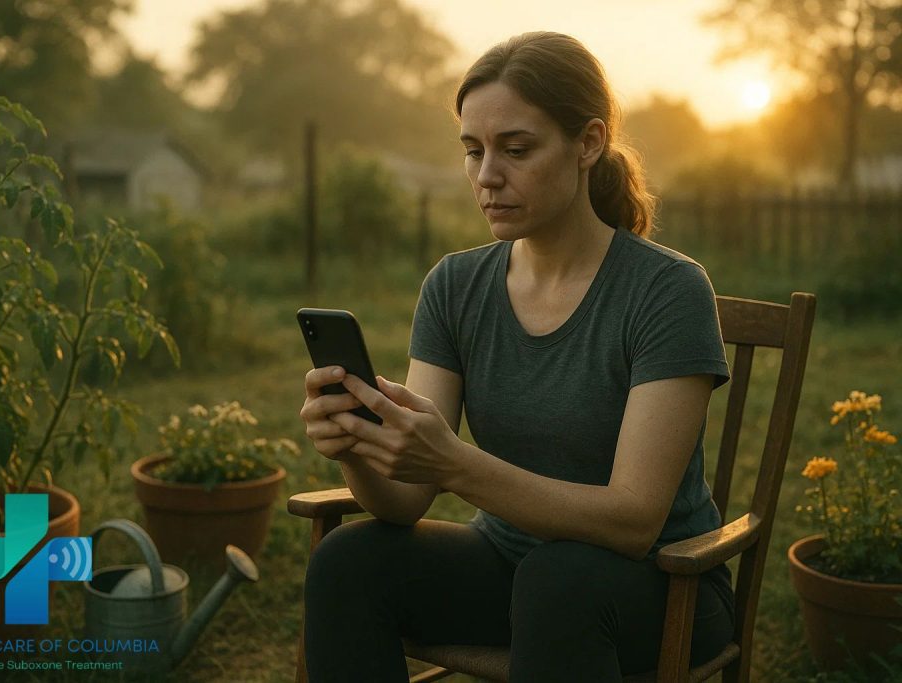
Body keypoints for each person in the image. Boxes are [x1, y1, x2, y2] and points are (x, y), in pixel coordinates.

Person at [298, 31, 735, 682]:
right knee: (348, 561)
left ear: (588, 142)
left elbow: (634, 521)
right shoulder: (455, 286)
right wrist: (358, 447)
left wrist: (454, 461)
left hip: (661, 587)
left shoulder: (667, 291)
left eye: (516, 149)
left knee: (559, 580)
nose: (486, 176)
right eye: (472, 151)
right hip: (516, 572)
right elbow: (406, 499)